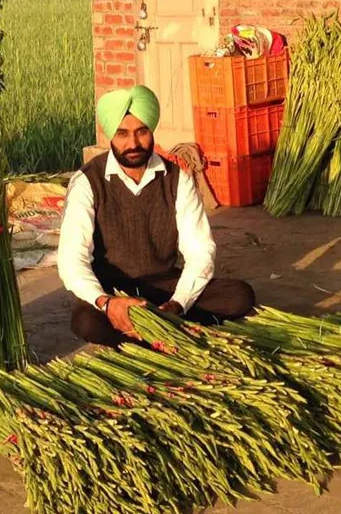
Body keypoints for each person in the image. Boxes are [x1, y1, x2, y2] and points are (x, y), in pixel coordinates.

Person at [57, 85, 256, 347]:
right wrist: (107, 303)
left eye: (141, 132)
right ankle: (160, 332)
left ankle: (153, 330)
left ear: (151, 131)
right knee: (87, 322)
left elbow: (200, 250)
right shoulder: (87, 181)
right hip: (113, 291)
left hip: (163, 286)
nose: (133, 144)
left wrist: (177, 304)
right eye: (122, 134)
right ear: (109, 136)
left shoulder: (177, 179)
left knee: (240, 296)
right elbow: (72, 260)